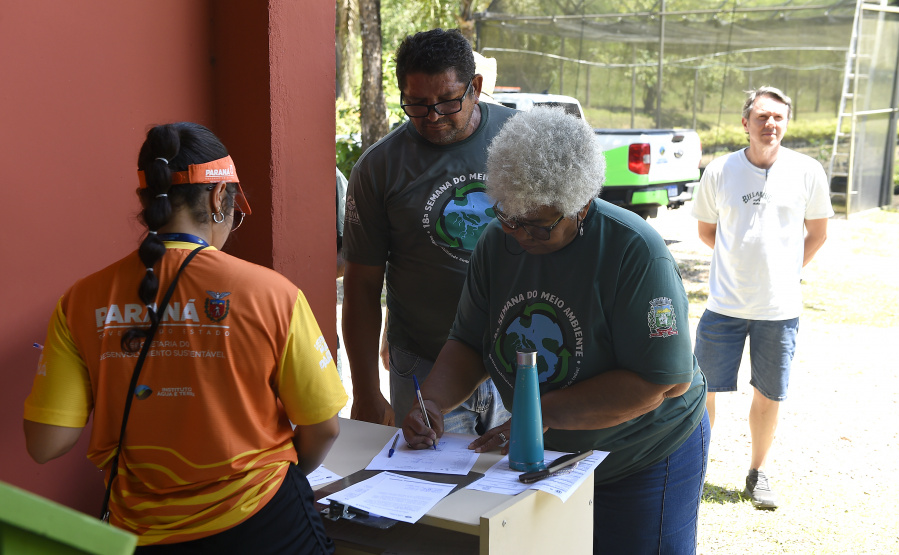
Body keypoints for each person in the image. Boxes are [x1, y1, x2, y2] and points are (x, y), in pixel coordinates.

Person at [23, 122, 348, 553]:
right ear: (219, 197)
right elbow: (322, 428)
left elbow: (46, 443)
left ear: (146, 200)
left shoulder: (81, 300)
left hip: (143, 532)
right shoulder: (273, 294)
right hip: (264, 522)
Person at [402, 106, 710, 554]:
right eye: (510, 218)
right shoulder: (496, 242)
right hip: (546, 458)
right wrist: (431, 401)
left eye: (540, 226)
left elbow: (660, 382)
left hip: (640, 453)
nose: (521, 235)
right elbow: (469, 341)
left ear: (581, 206)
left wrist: (536, 417)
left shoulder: (634, 250)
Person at [342, 28, 513, 433]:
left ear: (475, 87)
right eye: (417, 104)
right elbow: (362, 286)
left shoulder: (521, 140)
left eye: (448, 101)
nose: (433, 117)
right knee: (428, 491)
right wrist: (366, 392)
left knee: (518, 490)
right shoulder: (378, 168)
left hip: (518, 360)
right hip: (424, 362)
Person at [691, 86, 833, 509]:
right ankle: (695, 469)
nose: (770, 125)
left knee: (769, 395)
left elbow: (819, 233)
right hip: (723, 305)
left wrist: (784, 272)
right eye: (762, 117)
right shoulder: (719, 171)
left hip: (780, 309)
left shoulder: (807, 171)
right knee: (702, 392)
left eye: (778, 117)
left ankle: (758, 473)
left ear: (787, 122)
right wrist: (740, 263)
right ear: (745, 123)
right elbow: (706, 232)